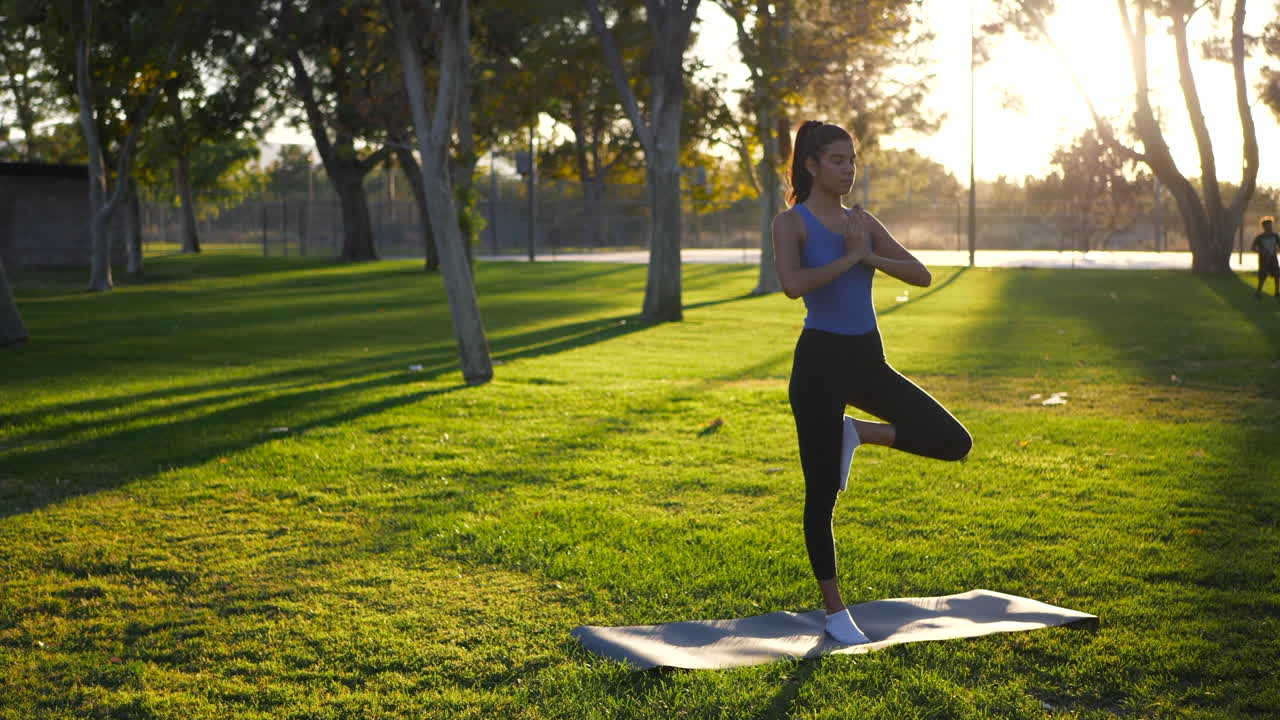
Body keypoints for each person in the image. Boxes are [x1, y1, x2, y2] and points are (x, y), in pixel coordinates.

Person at [771, 121, 973, 645]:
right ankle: (835, 610)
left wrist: (868, 255)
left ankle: (857, 432)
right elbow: (792, 286)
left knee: (954, 442)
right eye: (838, 160)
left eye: (853, 161)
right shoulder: (790, 222)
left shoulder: (863, 221)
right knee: (820, 494)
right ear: (812, 164)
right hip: (818, 364)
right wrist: (847, 258)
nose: (848, 170)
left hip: (867, 360)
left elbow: (920, 274)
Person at [1251, 216, 1280, 299]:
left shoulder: (1275, 236)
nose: (1269, 227)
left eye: (1270, 225)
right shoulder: (1260, 237)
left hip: (1273, 259)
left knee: (1277, 275)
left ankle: (1277, 292)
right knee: (1262, 276)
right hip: (1263, 260)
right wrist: (1261, 252)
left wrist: (1276, 250)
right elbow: (1253, 248)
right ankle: (1258, 292)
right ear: (1263, 226)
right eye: (1267, 226)